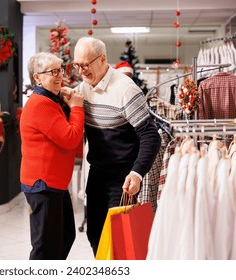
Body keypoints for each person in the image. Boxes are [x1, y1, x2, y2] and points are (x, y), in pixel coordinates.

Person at [72, 37, 161, 256]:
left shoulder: (125, 89)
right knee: (95, 235)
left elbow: (151, 135)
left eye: (86, 64)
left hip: (123, 178)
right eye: (77, 65)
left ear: (102, 60)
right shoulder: (82, 88)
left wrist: (137, 173)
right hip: (97, 174)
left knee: (122, 241)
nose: (81, 70)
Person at [20, 52, 84, 260]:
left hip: (53, 184)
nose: (60, 76)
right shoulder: (41, 104)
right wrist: (76, 107)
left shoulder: (51, 100)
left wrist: (66, 101)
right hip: (43, 185)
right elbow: (70, 138)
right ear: (37, 77)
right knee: (45, 249)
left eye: (61, 70)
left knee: (65, 237)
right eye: (53, 72)